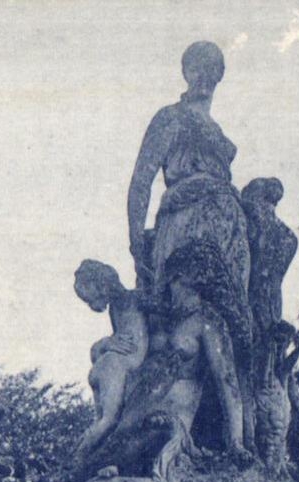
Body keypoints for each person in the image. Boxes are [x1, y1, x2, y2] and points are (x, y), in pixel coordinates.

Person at [125, 41, 252, 457]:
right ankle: (177, 432)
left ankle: (231, 438)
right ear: (186, 72)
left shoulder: (216, 131)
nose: (204, 76)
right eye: (197, 67)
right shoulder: (171, 118)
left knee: (229, 324)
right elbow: (141, 180)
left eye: (212, 69)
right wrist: (136, 242)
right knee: (186, 319)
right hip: (186, 221)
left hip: (228, 230)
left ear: (219, 77)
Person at [73, 259, 149, 460]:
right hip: (115, 366)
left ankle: (85, 460)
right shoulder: (134, 299)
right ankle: (75, 461)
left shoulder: (117, 308)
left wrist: (104, 345)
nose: (94, 305)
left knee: (101, 422)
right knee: (108, 421)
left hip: (106, 367)